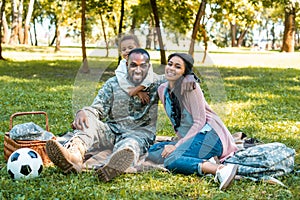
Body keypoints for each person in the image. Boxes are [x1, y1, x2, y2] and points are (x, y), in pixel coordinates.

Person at [45, 48, 195, 182]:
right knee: (88, 121)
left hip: (139, 133)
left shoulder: (157, 83)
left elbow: (177, 75)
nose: (138, 70)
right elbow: (97, 108)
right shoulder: (113, 84)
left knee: (130, 145)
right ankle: (73, 157)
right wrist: (83, 112)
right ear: (126, 65)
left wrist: (190, 77)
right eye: (133, 65)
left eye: (143, 65)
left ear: (148, 67)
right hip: (111, 131)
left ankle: (114, 165)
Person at [146, 53, 239, 190]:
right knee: (153, 151)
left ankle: (220, 169)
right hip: (192, 138)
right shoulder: (162, 89)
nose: (171, 68)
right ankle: (204, 159)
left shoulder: (190, 87)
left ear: (185, 72)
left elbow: (199, 122)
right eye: (170, 64)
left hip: (210, 134)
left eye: (178, 67)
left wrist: (177, 146)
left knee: (172, 159)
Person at [115, 34, 157, 104]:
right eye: (123, 49)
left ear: (138, 47)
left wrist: (138, 89)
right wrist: (138, 92)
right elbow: (122, 80)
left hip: (144, 88)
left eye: (130, 47)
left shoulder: (145, 61)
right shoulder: (122, 64)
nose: (127, 51)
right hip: (129, 93)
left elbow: (149, 77)